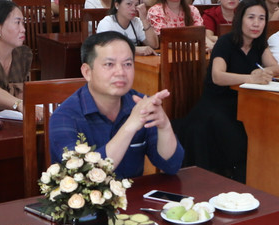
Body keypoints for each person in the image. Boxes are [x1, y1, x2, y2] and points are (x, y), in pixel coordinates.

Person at [48, 31, 183, 176]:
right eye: (109, 64)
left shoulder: (139, 105)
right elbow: (84, 176)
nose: (120, 72)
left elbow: (171, 166)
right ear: (87, 72)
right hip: (82, 198)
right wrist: (130, 126)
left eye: (127, 64)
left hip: (132, 197)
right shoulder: (64, 116)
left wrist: (165, 126)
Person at [179, 0, 279, 182]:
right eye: (251, 17)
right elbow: (218, 76)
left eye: (261, 18)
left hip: (244, 104)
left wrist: (265, 71)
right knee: (240, 141)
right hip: (216, 106)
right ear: (240, 19)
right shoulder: (226, 42)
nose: (256, 23)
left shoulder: (259, 44)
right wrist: (250, 78)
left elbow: (276, 68)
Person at [95, 0, 159, 54]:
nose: (134, 8)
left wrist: (144, 19)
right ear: (117, 5)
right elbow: (106, 48)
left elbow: (154, 45)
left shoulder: (137, 21)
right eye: (129, 4)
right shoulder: (107, 22)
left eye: (136, 5)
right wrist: (135, 49)